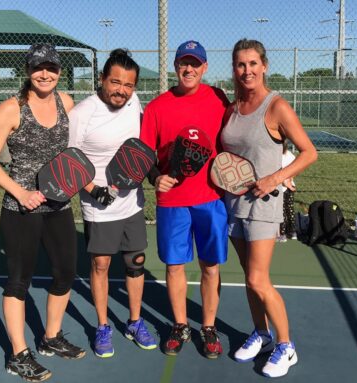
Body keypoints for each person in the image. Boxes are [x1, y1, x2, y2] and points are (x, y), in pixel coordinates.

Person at [0, 43, 85, 382]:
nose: (45, 73)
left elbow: (78, 149)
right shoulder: (11, 109)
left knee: (65, 272)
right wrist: (20, 192)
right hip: (20, 209)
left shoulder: (66, 102)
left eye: (51, 67)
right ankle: (18, 356)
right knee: (18, 281)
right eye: (39, 67)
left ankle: (51, 338)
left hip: (59, 205)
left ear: (59, 71)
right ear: (28, 70)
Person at [220, 39, 317, 378]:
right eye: (240, 64)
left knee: (259, 280)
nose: (246, 70)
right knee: (249, 280)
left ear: (264, 66)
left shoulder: (276, 107)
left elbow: (308, 152)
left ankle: (286, 345)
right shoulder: (232, 108)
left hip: (263, 205)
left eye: (252, 64)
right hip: (233, 204)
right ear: (234, 69)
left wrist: (275, 177)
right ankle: (261, 334)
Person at [140, 40, 229, 359]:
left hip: (211, 199)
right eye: (183, 63)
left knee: (210, 266)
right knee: (175, 266)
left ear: (205, 68)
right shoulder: (157, 107)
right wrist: (154, 177)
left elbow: (238, 138)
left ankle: (208, 327)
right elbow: (144, 153)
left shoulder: (219, 100)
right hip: (172, 202)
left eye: (195, 63)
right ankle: (180, 325)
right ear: (175, 66)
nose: (188, 68)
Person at [68, 49, 157, 358]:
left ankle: (134, 321)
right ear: (102, 79)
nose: (122, 90)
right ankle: (103, 326)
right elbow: (69, 159)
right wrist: (92, 189)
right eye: (115, 82)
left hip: (132, 203)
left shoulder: (134, 104)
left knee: (135, 263)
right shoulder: (83, 112)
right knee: (101, 264)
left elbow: (144, 148)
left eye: (129, 85)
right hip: (99, 205)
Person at [277, 140, 297, 242]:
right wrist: (289, 179)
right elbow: (296, 170)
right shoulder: (291, 155)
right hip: (290, 187)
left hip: (281, 188)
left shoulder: (276, 157)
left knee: (282, 211)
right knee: (290, 210)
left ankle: (282, 234)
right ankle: (293, 232)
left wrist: (285, 181)